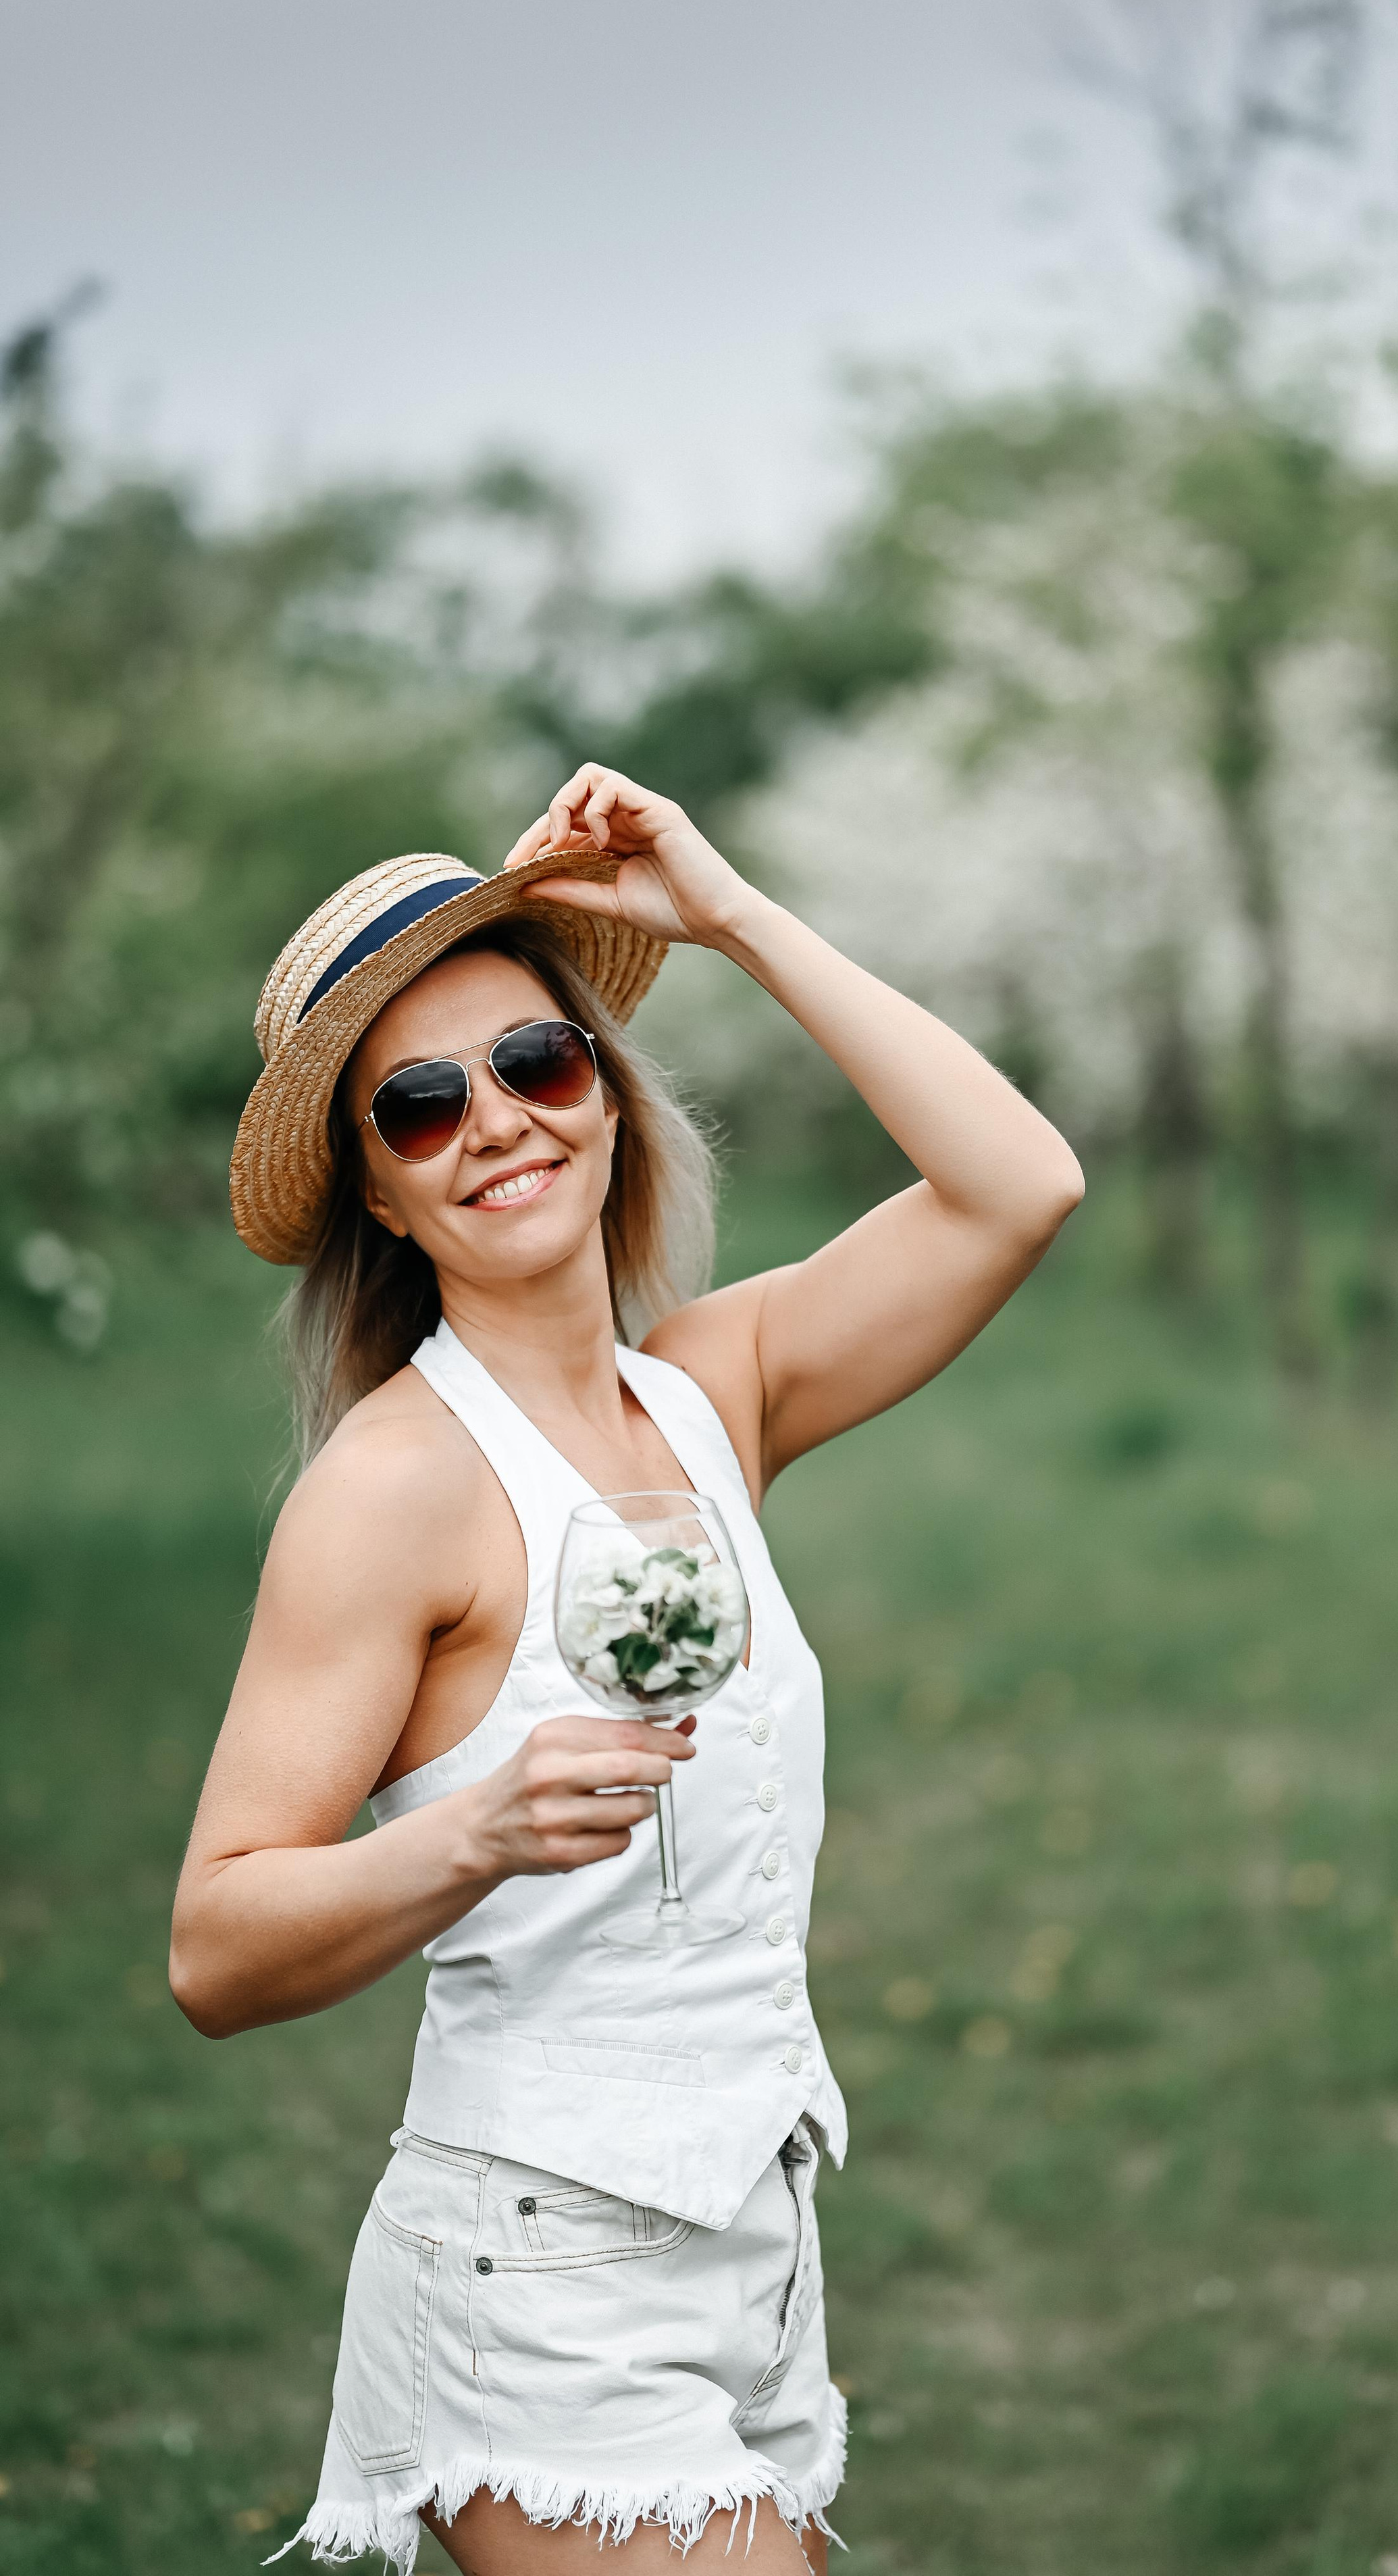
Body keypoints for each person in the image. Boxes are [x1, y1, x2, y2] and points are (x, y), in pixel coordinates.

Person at [171, 765, 1084, 2573]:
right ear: (380, 1193)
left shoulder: (713, 1390)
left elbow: (1019, 1184)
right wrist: (476, 1832)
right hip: (542, 2283)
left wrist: (732, 915)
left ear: (599, 1092)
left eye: (537, 1062)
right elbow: (215, 1945)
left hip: (755, 2253)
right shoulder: (392, 1496)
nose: (496, 1124)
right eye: (419, 1106)